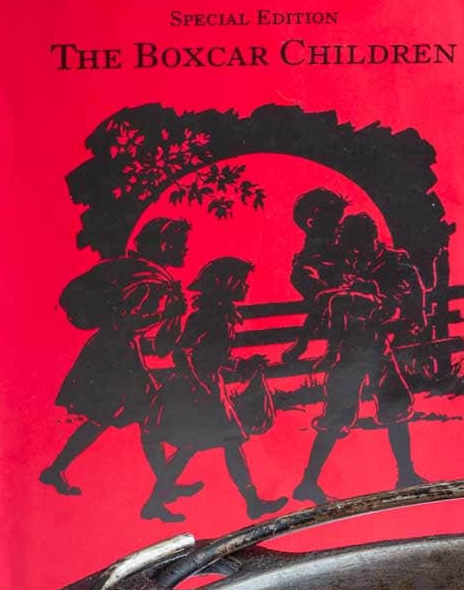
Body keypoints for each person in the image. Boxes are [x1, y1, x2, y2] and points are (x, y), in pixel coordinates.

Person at [41, 217, 192, 496]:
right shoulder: (148, 282)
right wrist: (167, 314)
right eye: (181, 245)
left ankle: (57, 469)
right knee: (138, 415)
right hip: (116, 356)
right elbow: (124, 324)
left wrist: (173, 317)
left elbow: (161, 346)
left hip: (117, 354)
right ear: (164, 245)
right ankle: (165, 483)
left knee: (118, 417)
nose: (185, 250)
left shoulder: (155, 278)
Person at [293, 213, 427, 503]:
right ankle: (307, 483)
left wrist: (414, 314)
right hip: (349, 350)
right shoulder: (346, 264)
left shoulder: (395, 262)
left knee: (396, 405)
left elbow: (413, 289)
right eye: (350, 247)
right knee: (337, 415)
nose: (353, 253)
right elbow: (323, 292)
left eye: (357, 245)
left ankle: (405, 475)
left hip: (378, 346)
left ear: (371, 238)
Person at [144, 256, 284, 522]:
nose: (246, 287)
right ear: (226, 284)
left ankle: (252, 502)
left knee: (226, 444)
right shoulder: (206, 316)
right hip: (194, 390)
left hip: (209, 387)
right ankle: (153, 503)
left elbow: (211, 355)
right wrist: (199, 386)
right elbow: (181, 353)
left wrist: (245, 364)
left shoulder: (221, 315)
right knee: (193, 447)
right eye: (241, 282)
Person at [282, 188, 349, 365]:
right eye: (332, 220)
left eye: (338, 219)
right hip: (318, 282)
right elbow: (308, 267)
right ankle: (303, 343)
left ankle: (303, 343)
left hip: (335, 292)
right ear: (312, 221)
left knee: (326, 298)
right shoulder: (314, 246)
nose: (337, 225)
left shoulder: (339, 238)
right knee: (323, 297)